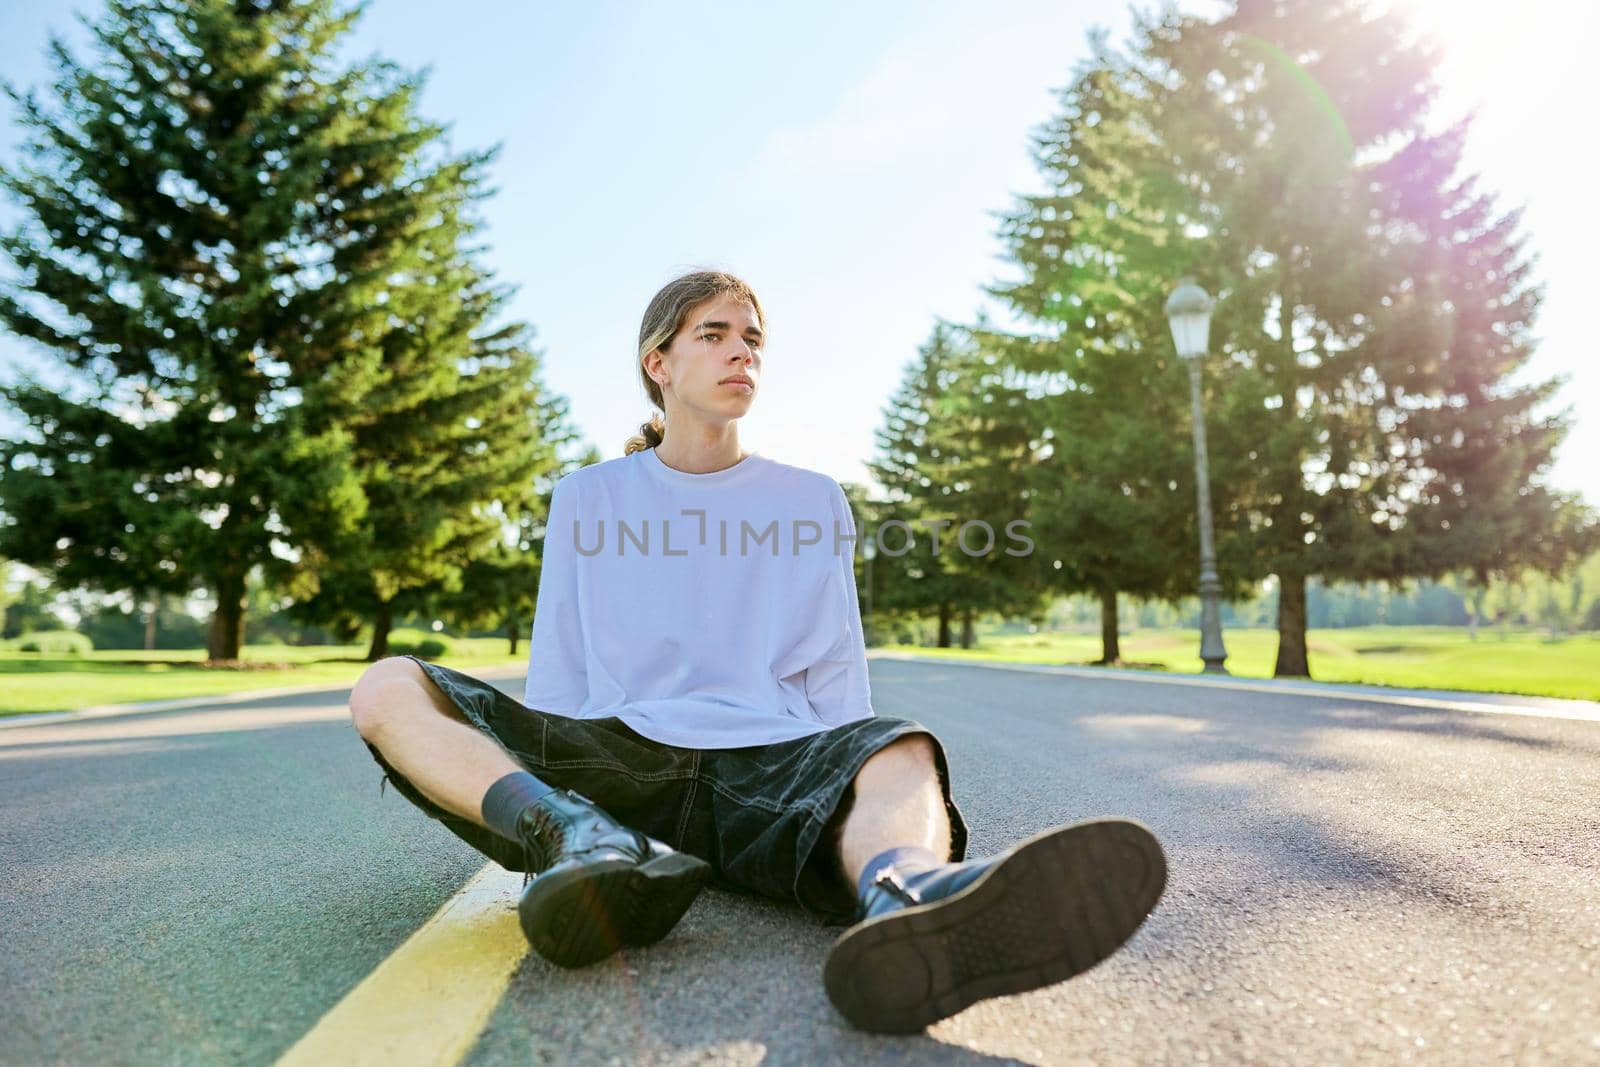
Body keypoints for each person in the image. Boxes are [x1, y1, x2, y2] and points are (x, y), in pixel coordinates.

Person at [348, 269, 1167, 1034]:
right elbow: (561, 662)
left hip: (762, 769)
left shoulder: (810, 500)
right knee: (387, 687)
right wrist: (556, 794)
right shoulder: (589, 497)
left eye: (753, 337)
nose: (743, 350)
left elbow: (838, 677)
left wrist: (852, 775)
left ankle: (908, 898)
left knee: (901, 746)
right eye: (714, 333)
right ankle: (573, 838)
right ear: (657, 363)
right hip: (616, 764)